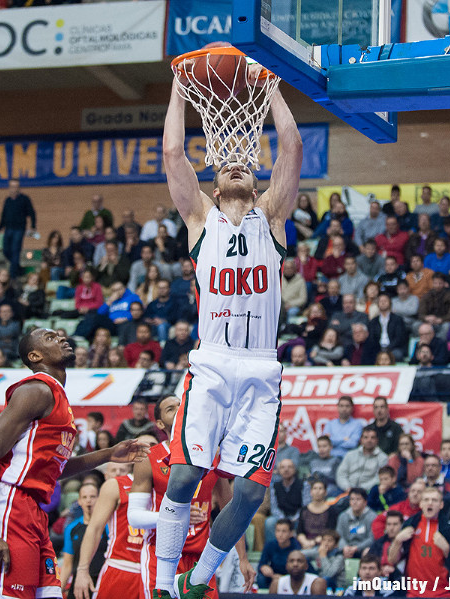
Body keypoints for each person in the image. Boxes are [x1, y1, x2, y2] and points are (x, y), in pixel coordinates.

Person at [156, 57, 302, 599]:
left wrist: (272, 87)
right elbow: (173, 153)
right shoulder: (200, 219)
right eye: (226, 165)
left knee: (250, 493)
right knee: (184, 477)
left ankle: (198, 580)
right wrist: (179, 87)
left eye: (246, 162)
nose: (237, 164)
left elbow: (292, 146)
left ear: (257, 182)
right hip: (213, 362)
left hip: (262, 368)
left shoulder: (273, 218)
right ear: (214, 186)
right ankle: (164, 582)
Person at [0, 328, 147, 599]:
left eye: (59, 336)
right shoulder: (36, 390)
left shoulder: (57, 397)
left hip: (32, 509)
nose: (61, 338)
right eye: (50, 338)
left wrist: (108, 454)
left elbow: (53, 470)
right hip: (7, 504)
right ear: (35, 356)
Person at [126, 396, 247, 599]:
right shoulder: (149, 458)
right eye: (170, 408)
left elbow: (231, 510)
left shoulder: (213, 455)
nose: (179, 409)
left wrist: (243, 558)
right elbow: (134, 517)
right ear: (160, 424)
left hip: (201, 558)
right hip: (160, 553)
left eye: (181, 405)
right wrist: (176, 517)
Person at [72, 466, 144, 599]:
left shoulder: (166, 484)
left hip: (154, 569)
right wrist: (82, 570)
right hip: (121, 566)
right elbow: (94, 528)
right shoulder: (115, 486)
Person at [388, 487, 450, 598]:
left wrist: (447, 549)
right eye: (426, 499)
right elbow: (392, 560)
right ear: (421, 504)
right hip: (413, 593)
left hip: (443, 593)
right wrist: (397, 540)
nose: (430, 503)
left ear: (441, 505)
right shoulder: (410, 524)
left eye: (434, 500)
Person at [60, 482, 107, 599]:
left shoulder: (108, 526)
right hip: (79, 586)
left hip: (102, 584)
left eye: (92, 496)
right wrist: (58, 592)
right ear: (79, 501)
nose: (88, 500)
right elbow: (67, 565)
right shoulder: (71, 528)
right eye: (84, 497)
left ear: (99, 499)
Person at [0, 179, 37, 278]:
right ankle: (19, 269)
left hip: (19, 229)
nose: (14, 189)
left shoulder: (24, 199)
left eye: (16, 187)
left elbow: (32, 212)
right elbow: (4, 214)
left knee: (15, 251)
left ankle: (13, 276)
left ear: (19, 188)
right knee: (6, 250)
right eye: (12, 187)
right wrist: (0, 226)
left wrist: (33, 226)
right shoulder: (7, 200)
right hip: (8, 228)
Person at [336, 427, 388, 493]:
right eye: (366, 437)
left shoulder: (383, 457)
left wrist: (360, 490)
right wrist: (347, 487)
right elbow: (341, 474)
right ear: (361, 440)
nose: (369, 440)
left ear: (377, 440)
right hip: (347, 490)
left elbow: (378, 478)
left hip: (368, 491)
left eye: (372, 438)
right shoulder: (350, 454)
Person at [257, 518, 303, 589]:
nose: (280, 534)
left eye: (284, 531)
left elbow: (298, 570)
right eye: (278, 531)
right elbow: (261, 563)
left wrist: (283, 578)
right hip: (273, 576)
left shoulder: (296, 546)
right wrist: (264, 567)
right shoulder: (270, 544)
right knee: (261, 577)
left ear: (291, 533)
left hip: (291, 578)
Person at [337, 488, 376, 558]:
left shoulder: (372, 517)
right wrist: (345, 547)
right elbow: (339, 536)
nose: (354, 502)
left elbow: (372, 538)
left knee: (368, 552)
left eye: (358, 499)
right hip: (347, 548)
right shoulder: (343, 516)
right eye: (352, 499)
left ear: (365, 502)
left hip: (364, 548)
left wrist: (357, 547)